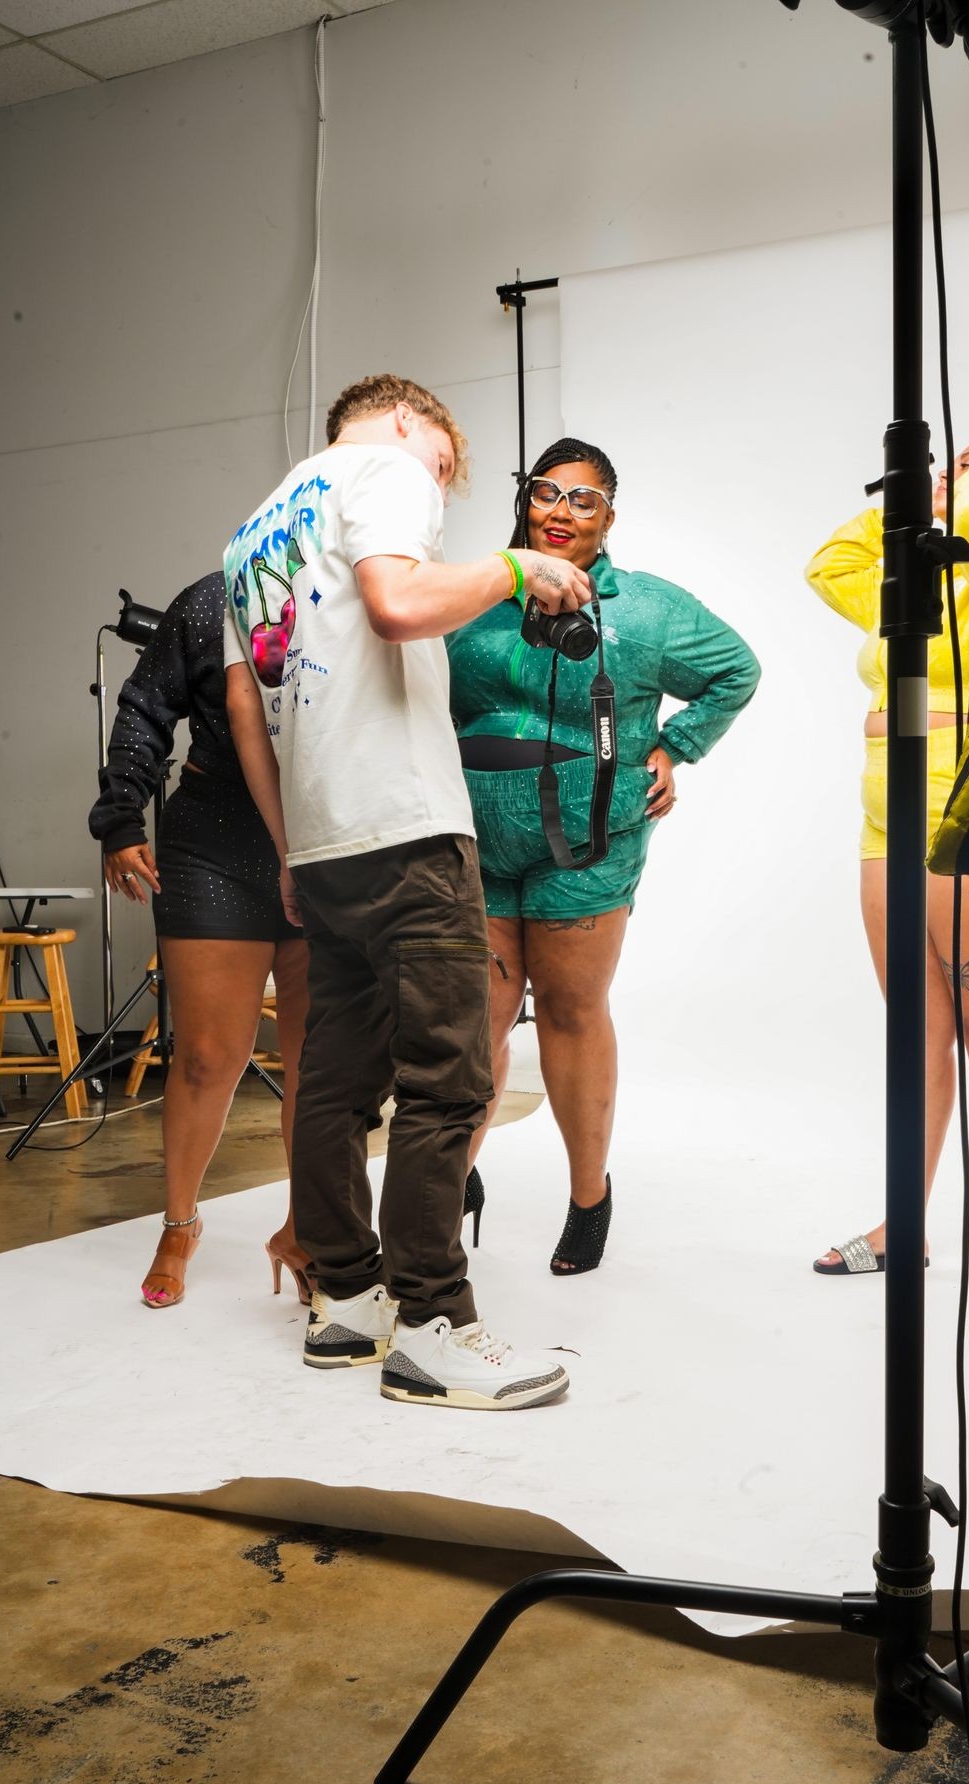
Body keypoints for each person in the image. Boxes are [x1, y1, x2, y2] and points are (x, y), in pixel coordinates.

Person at [223, 373, 591, 1409]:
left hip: (329, 842)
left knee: (334, 1082)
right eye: (444, 462)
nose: (439, 487)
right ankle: (434, 1323)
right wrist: (516, 568)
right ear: (401, 419)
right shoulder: (383, 465)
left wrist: (294, 851)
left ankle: (345, 1304)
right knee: (449, 1077)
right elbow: (395, 604)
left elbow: (250, 714)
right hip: (406, 824)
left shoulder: (252, 536)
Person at [447, 436, 761, 1273]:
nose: (559, 511)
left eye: (582, 500)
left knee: (569, 1011)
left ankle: (589, 1196)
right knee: (471, 1022)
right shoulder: (472, 596)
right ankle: (453, 1180)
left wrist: (676, 746)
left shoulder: (650, 610)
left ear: (609, 518)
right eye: (546, 493)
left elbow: (737, 668)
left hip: (589, 844)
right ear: (525, 504)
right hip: (476, 839)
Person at [805, 432, 969, 1302]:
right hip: (887, 816)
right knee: (915, 1030)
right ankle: (903, 1226)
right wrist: (911, 497)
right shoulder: (911, 583)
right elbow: (827, 561)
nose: (953, 477)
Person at [88, 573, 310, 1309]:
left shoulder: (372, 590)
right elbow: (145, 708)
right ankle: (179, 1224)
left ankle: (309, 1226)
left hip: (328, 838)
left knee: (319, 1061)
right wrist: (121, 817)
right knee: (210, 1056)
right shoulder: (214, 599)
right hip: (216, 837)